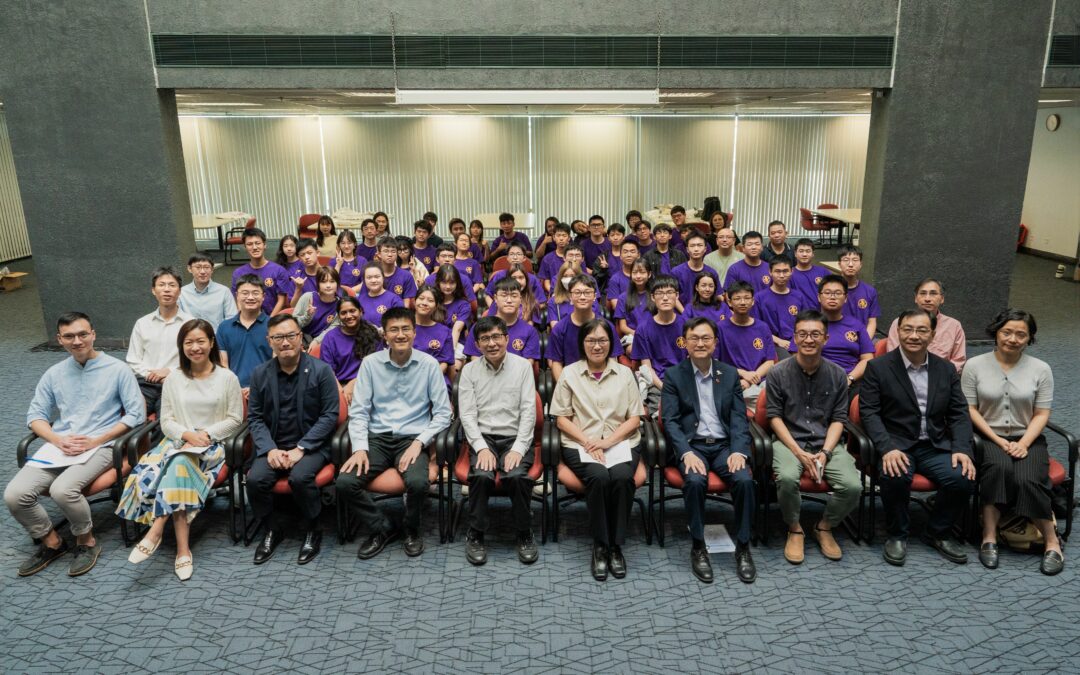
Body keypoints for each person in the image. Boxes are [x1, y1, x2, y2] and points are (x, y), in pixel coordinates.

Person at [5, 312, 145, 578]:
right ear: (60, 340)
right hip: (60, 446)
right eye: (69, 336)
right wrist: (57, 439)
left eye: (83, 334)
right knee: (15, 495)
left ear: (93, 334)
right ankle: (52, 542)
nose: (77, 341)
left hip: (102, 445)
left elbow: (135, 415)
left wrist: (97, 440)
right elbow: (35, 416)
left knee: (63, 489)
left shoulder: (117, 369)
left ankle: (86, 540)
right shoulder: (53, 373)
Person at [117, 319, 243, 580]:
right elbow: (167, 422)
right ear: (181, 346)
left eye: (200, 341)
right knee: (179, 462)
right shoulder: (174, 378)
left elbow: (234, 420)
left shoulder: (227, 377)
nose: (195, 347)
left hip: (212, 446)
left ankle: (157, 529)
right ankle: (182, 551)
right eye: (188, 342)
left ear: (211, 343)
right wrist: (186, 435)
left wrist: (205, 435)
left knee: (180, 462)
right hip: (176, 442)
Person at [860, 309, 976, 566]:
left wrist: (961, 448)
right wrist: (886, 448)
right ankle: (897, 534)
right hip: (896, 444)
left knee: (962, 477)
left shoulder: (945, 369)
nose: (914, 335)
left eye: (922, 330)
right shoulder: (878, 367)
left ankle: (937, 532)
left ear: (932, 334)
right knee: (895, 476)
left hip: (934, 444)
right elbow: (869, 412)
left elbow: (958, 413)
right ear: (898, 332)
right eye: (908, 329)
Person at [339, 307, 452, 559]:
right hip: (376, 439)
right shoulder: (370, 364)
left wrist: (419, 443)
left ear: (414, 332)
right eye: (393, 330)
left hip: (412, 438)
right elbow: (359, 412)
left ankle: (411, 530)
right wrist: (359, 447)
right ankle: (383, 528)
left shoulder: (429, 365)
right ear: (385, 335)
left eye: (405, 329)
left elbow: (443, 414)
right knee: (345, 483)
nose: (400, 335)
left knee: (418, 483)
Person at [962, 309, 1061, 575]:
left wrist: (1025, 443)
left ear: (1029, 339)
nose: (1013, 339)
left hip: (1028, 438)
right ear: (996, 332)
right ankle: (989, 536)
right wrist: (996, 439)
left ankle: (1052, 542)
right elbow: (969, 409)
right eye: (1007, 332)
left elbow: (1042, 413)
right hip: (987, 437)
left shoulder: (1041, 369)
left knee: (1028, 479)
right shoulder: (975, 365)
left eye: (1021, 334)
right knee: (999, 470)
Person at [660, 317, 757, 584]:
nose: (700, 343)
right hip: (693, 446)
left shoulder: (728, 374)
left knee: (745, 481)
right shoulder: (674, 375)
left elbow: (739, 417)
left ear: (715, 343)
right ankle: (698, 546)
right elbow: (670, 420)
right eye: (694, 338)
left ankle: (744, 547)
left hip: (725, 446)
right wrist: (685, 452)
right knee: (693, 481)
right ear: (685, 343)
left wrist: (740, 450)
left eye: (706, 339)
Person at [550, 319, 644, 581]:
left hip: (621, 442)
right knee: (599, 478)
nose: (597, 345)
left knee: (623, 478)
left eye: (602, 340)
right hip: (580, 443)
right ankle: (601, 545)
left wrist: (607, 442)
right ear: (582, 344)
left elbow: (634, 418)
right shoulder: (569, 373)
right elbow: (561, 418)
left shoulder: (624, 374)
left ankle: (617, 546)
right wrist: (589, 442)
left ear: (611, 343)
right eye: (591, 340)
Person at [766, 310, 862, 564]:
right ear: (794, 338)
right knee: (787, 477)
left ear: (826, 339)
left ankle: (824, 526)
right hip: (789, 442)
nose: (809, 339)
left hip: (826, 442)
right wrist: (798, 452)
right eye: (803, 334)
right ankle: (795, 527)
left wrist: (826, 452)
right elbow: (774, 417)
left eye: (815, 334)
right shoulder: (778, 373)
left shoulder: (838, 375)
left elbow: (839, 419)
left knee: (853, 486)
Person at [246, 313, 341, 566]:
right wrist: (269, 450)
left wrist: (302, 448)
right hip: (274, 446)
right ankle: (271, 529)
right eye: (278, 337)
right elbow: (254, 418)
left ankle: (313, 528)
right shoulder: (259, 374)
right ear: (270, 341)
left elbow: (330, 415)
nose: (285, 342)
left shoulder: (321, 371)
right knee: (255, 480)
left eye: (290, 336)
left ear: (300, 338)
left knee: (300, 478)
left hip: (312, 446)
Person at [457, 317, 540, 566]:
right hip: (483, 438)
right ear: (477, 343)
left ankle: (524, 532)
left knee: (515, 476)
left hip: (515, 436)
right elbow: (467, 415)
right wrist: (481, 447)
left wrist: (517, 448)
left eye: (496, 337)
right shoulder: (469, 371)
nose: (491, 343)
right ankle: (476, 533)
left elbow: (529, 412)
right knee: (481, 476)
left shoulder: (523, 367)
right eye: (485, 339)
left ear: (506, 338)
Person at [127, 267, 192, 415]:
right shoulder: (142, 323)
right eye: (161, 285)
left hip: (177, 382)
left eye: (172, 285)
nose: (167, 290)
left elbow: (196, 360)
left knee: (167, 421)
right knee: (133, 418)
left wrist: (169, 371)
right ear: (153, 290)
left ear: (180, 291)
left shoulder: (191, 323)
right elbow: (132, 360)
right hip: (144, 383)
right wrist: (152, 375)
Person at [547, 275, 623, 381]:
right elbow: (556, 364)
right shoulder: (559, 329)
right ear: (570, 296)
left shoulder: (607, 327)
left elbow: (612, 359)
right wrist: (565, 387)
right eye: (577, 293)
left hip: (602, 380)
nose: (582, 297)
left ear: (594, 296)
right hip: (572, 382)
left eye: (587, 293)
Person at [806, 275, 874, 391]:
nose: (832, 297)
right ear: (819, 297)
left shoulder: (856, 325)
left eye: (837, 293)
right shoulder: (808, 324)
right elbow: (796, 356)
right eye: (827, 293)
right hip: (814, 380)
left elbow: (867, 359)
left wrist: (849, 378)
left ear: (846, 297)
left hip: (850, 381)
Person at [886, 278, 966, 372]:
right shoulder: (900, 322)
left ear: (942, 299)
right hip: (905, 375)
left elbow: (958, 360)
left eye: (933, 293)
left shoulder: (954, 325)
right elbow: (893, 356)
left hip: (941, 378)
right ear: (915, 298)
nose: (927, 299)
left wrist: (941, 377)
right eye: (923, 293)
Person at [717, 281, 775, 405]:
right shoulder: (720, 328)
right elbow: (716, 363)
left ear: (753, 301)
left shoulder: (763, 327)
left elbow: (770, 361)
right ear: (729, 302)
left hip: (762, 381)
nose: (743, 302)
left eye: (747, 298)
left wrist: (752, 379)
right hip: (734, 381)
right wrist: (743, 374)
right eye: (737, 298)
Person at [317, 295, 381, 404]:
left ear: (360, 311)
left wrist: (353, 384)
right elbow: (328, 371)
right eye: (343, 313)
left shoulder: (372, 333)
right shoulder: (330, 337)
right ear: (339, 316)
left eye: (352, 311)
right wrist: (341, 393)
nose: (348, 316)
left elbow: (377, 367)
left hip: (368, 383)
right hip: (337, 385)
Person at [464, 277, 541, 363]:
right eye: (504, 295)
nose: (509, 300)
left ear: (520, 299)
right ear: (495, 299)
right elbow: (475, 362)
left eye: (514, 296)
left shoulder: (530, 331)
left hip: (516, 375)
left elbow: (527, 367)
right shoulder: (479, 327)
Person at [216, 274, 273, 390]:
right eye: (245, 293)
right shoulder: (224, 327)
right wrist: (235, 388)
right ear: (237, 295)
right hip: (234, 390)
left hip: (267, 389)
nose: (250, 297)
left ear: (263, 296)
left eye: (255, 293)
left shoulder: (274, 326)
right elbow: (223, 365)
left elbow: (277, 363)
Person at [231, 228, 291, 317]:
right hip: (247, 318)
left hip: (272, 319)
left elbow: (281, 300)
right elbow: (238, 299)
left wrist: (269, 322)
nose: (254, 247)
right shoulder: (238, 273)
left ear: (264, 245)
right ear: (245, 247)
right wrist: (244, 319)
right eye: (249, 244)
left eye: (258, 243)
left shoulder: (279, 270)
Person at [755, 258, 808, 354]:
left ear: (792, 271)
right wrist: (779, 341)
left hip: (797, 342)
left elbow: (806, 323)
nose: (782, 275)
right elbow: (756, 326)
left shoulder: (798, 296)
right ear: (770, 272)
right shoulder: (759, 297)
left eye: (785, 271)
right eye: (777, 271)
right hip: (771, 343)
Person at [412, 286, 456, 387]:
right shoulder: (404, 327)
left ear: (436, 306)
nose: (424, 303)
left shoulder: (444, 331)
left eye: (430, 300)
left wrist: (428, 380)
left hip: (435, 379)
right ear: (414, 301)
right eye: (421, 298)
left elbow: (445, 363)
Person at [178, 252, 236, 329]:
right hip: (190, 338)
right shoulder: (181, 293)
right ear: (189, 269)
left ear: (212, 269)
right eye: (198, 267)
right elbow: (178, 320)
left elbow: (231, 319)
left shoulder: (224, 291)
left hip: (217, 338)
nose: (202, 271)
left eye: (206, 267)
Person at [671, 231, 720, 312]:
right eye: (692, 246)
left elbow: (717, 296)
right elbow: (673, 297)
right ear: (687, 249)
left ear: (705, 249)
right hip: (682, 315)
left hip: (705, 316)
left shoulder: (712, 272)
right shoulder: (676, 272)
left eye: (700, 245)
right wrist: (686, 315)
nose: (696, 249)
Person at [292, 265, 344, 341]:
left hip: (324, 341)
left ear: (337, 284)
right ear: (318, 284)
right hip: (301, 339)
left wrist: (317, 342)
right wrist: (307, 316)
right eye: (323, 282)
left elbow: (332, 329)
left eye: (332, 281)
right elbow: (293, 324)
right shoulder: (308, 297)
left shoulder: (340, 305)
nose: (328, 285)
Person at [837, 244, 880, 337]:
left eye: (855, 260)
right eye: (846, 260)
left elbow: (872, 321)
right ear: (839, 264)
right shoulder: (830, 290)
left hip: (863, 338)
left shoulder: (869, 291)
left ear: (860, 264)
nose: (851, 264)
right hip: (836, 338)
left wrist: (865, 343)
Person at [365, 236, 417, 304]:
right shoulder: (372, 275)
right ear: (379, 254)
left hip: (399, 313)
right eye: (386, 251)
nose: (390, 254)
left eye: (393, 251)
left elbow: (406, 304)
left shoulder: (406, 276)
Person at [433, 263, 474, 349]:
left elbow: (457, 330)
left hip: (456, 343)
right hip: (433, 341)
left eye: (452, 283)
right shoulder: (432, 301)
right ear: (438, 282)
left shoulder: (463, 304)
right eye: (444, 282)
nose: (448, 286)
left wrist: (450, 353)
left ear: (457, 283)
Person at [724, 231, 772, 295]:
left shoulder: (770, 268)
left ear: (762, 247)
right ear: (743, 248)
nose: (754, 247)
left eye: (757, 244)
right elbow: (728, 294)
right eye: (749, 244)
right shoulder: (734, 269)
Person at [789, 238, 829, 309]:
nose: (804, 254)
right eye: (801, 251)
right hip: (799, 314)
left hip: (820, 314)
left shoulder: (823, 272)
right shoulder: (789, 274)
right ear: (795, 254)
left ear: (813, 254)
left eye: (808, 251)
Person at [547, 260, 587, 327]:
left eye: (572, 276)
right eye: (565, 276)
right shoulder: (553, 301)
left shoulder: (589, 299)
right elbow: (555, 328)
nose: (569, 279)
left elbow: (594, 323)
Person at [538, 222, 573, 293]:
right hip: (553, 292)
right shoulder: (547, 258)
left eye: (564, 235)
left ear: (569, 238)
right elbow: (546, 281)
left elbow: (582, 278)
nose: (561, 238)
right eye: (558, 235)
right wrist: (553, 292)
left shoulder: (575, 256)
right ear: (554, 237)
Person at [605, 239, 639, 310]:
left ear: (638, 255)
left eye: (632, 251)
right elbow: (616, 307)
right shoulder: (615, 279)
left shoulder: (645, 276)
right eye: (625, 252)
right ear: (620, 256)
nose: (629, 255)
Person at [288, 238, 322, 305]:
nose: (306, 257)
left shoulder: (329, 274)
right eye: (302, 255)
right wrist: (298, 289)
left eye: (309, 253)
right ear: (299, 258)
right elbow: (293, 306)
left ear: (317, 253)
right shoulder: (297, 278)